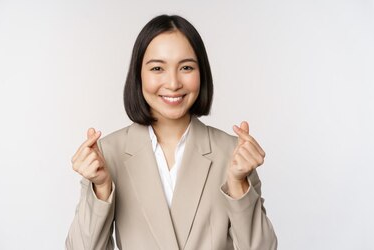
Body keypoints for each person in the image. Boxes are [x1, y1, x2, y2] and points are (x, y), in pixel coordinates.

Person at [65, 14, 277, 250]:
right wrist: (101, 188)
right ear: (139, 75)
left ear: (202, 73)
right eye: (157, 68)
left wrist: (238, 186)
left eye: (186, 67)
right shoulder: (108, 153)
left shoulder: (232, 152)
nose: (173, 82)